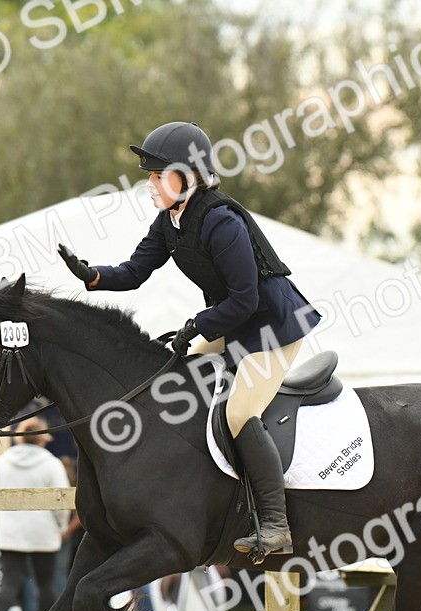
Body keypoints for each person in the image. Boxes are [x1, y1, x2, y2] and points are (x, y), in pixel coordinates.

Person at [57, 121, 323, 555]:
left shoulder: (221, 222)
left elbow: (246, 298)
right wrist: (94, 276)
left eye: (158, 175)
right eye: (150, 175)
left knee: (239, 414)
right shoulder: (170, 222)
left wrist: (197, 326)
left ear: (189, 176)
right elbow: (135, 271)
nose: (150, 184)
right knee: (173, 376)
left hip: (273, 325)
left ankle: (276, 523)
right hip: (235, 320)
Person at [0, 417, 72, 611]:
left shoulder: (2, 462)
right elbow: (60, 500)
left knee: (10, 582)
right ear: (43, 439)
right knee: (45, 583)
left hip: (8, 531)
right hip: (42, 532)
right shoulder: (52, 463)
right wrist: (60, 526)